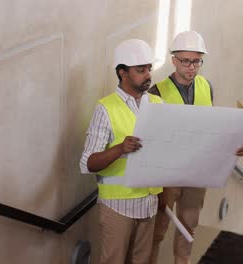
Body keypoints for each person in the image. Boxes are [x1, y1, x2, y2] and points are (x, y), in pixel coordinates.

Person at [149, 30, 243, 264]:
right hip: (168, 175)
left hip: (197, 172)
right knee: (157, 231)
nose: (191, 67)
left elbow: (210, 127)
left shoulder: (206, 86)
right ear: (173, 60)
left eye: (197, 61)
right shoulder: (156, 93)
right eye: (185, 61)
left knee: (188, 227)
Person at [80, 39, 163, 264]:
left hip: (149, 202)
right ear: (122, 73)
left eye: (149, 69)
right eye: (140, 70)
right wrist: (120, 149)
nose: (148, 74)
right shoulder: (105, 108)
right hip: (118, 206)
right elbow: (87, 163)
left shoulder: (157, 102)